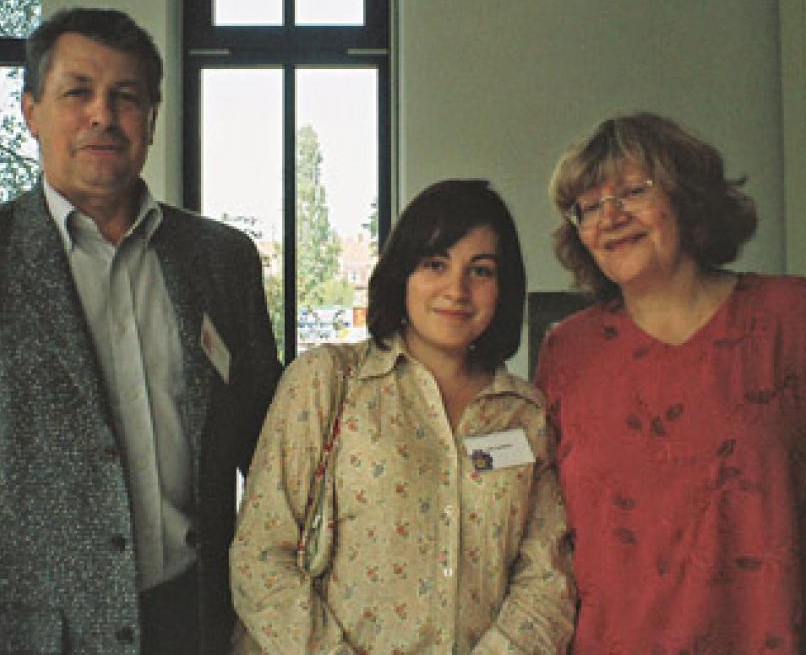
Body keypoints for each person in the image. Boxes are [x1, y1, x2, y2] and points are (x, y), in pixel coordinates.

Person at [0, 8, 281, 655]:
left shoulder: (222, 261)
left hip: (197, 625)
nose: (102, 116)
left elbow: (273, 449)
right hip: (37, 640)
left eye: (126, 97)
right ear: (30, 111)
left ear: (153, 117)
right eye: (77, 92)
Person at [231, 179, 575, 654]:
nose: (457, 289)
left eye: (481, 271)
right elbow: (260, 557)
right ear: (402, 274)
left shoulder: (524, 414)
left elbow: (547, 579)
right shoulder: (328, 382)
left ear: (504, 288)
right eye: (435, 264)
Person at [535, 112, 806, 655]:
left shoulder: (791, 318)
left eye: (633, 192)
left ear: (687, 198)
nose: (610, 218)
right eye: (589, 206)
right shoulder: (566, 349)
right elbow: (543, 533)